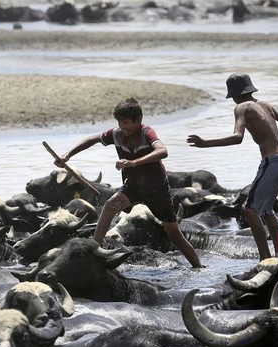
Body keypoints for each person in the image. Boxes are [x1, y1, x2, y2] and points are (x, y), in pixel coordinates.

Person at [55, 97, 204, 268]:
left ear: (139, 119)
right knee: (110, 205)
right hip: (133, 186)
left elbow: (163, 151)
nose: (122, 127)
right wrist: (67, 155)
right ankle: (94, 249)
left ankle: (198, 267)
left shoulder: (147, 133)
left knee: (174, 236)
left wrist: (134, 162)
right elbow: (92, 139)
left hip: (156, 190)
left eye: (125, 122)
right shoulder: (117, 134)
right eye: (119, 122)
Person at [187, 72, 278, 260]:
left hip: (273, 161)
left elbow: (238, 137)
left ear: (235, 95)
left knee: (250, 210)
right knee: (268, 209)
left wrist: (206, 143)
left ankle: (264, 258)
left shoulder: (241, 107)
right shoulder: (265, 105)